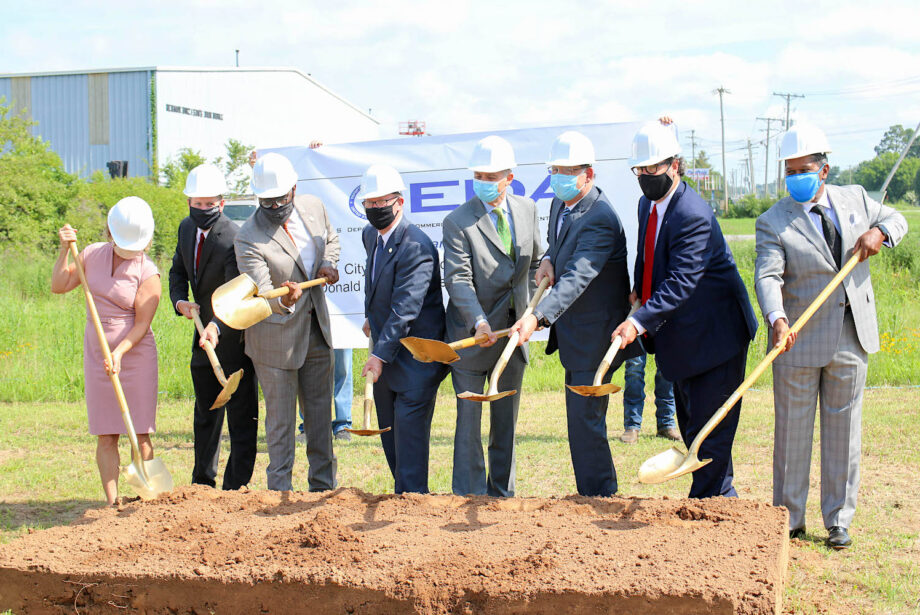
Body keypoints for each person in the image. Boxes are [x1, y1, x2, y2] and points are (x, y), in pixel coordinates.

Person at [754, 122, 908, 548]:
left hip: (850, 335)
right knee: (792, 433)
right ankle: (788, 518)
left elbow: (896, 219)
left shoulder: (854, 198)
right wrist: (777, 318)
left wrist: (880, 233)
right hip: (797, 339)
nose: (794, 178)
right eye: (788, 170)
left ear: (823, 169)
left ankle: (838, 519)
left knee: (844, 431)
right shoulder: (773, 221)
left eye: (802, 169)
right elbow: (767, 276)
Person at [611, 120, 758, 499]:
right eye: (639, 170)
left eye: (653, 168)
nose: (644, 177)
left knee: (710, 435)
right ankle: (717, 501)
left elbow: (681, 281)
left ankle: (713, 508)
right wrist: (638, 291)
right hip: (681, 337)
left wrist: (638, 322)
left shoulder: (693, 213)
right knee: (691, 427)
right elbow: (648, 253)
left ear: (675, 165)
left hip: (716, 337)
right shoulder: (649, 203)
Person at [510, 131, 639, 497]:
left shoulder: (600, 217)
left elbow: (578, 277)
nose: (560, 177)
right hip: (575, 334)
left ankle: (599, 497)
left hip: (596, 336)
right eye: (555, 169)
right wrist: (549, 258)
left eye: (569, 171)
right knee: (580, 422)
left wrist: (536, 318)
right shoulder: (559, 204)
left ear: (589, 174)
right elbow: (560, 247)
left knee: (586, 422)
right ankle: (592, 493)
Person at [232, 152, 340, 492]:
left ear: (294, 189)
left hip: (316, 334)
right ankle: (279, 496)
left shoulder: (314, 207)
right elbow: (262, 291)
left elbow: (332, 240)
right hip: (274, 341)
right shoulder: (248, 236)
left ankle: (323, 490)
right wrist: (284, 300)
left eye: (281, 198)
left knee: (321, 420)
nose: (275, 205)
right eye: (267, 201)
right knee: (281, 425)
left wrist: (327, 263)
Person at [442, 135, 542, 497]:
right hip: (472, 336)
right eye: (478, 176)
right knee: (468, 425)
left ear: (509, 178)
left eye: (491, 176)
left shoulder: (527, 209)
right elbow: (457, 279)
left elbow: (537, 263)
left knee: (506, 424)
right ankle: (468, 494)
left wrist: (534, 309)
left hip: (512, 337)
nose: (483, 182)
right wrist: (479, 321)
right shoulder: (457, 222)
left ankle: (502, 496)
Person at [51, 197, 161, 506]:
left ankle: (146, 498)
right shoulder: (89, 254)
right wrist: (63, 251)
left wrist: (121, 352)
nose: (129, 252)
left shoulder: (148, 272)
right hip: (97, 347)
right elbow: (59, 286)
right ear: (110, 234)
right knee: (106, 431)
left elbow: (141, 325)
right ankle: (112, 502)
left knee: (139, 430)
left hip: (134, 352)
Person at [169, 163, 258, 490]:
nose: (203, 209)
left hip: (234, 338)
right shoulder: (185, 230)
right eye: (197, 203)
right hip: (201, 337)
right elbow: (177, 272)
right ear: (189, 202)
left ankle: (236, 489)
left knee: (240, 418)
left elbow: (238, 292)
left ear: (221, 203)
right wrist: (180, 302)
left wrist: (217, 326)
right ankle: (202, 485)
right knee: (205, 414)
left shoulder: (233, 236)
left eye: (210, 204)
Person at [359, 164, 447, 494]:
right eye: (371, 203)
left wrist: (379, 354)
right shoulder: (371, 236)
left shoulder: (417, 246)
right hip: (387, 358)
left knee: (409, 448)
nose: (377, 209)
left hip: (416, 359)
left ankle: (413, 515)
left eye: (384, 202)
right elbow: (377, 284)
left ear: (401, 202)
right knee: (392, 444)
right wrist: (371, 316)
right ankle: (405, 501)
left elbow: (405, 309)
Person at [620, 352, 679, 444]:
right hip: (637, 337)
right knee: (634, 369)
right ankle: (632, 426)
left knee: (667, 366)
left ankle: (666, 424)